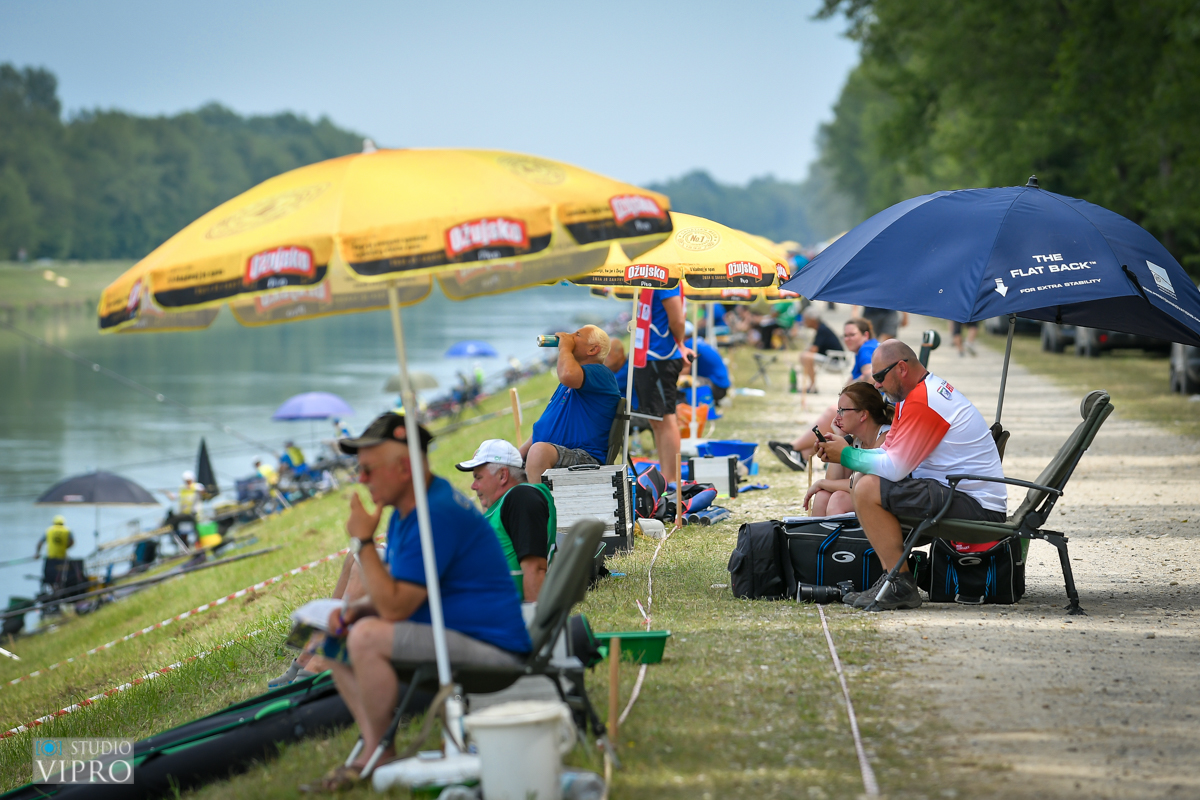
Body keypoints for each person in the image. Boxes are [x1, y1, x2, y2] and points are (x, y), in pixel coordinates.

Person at [321, 413, 530, 786]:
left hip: (495, 650)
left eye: (367, 470)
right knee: (336, 635)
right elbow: (400, 588)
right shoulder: (409, 510)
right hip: (458, 634)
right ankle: (374, 744)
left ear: (403, 468)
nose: (361, 479)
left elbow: (396, 607)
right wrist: (355, 609)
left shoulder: (434, 513)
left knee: (365, 638)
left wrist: (364, 542)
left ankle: (380, 754)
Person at [815, 340, 1007, 611]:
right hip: (958, 494)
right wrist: (845, 452)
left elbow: (895, 468)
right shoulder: (915, 397)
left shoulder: (925, 400)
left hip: (976, 506)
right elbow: (888, 454)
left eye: (880, 377)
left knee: (868, 487)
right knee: (863, 482)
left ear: (902, 368)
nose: (876, 385)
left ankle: (899, 584)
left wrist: (846, 456)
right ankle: (892, 579)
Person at [769, 318, 879, 470]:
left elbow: (869, 375)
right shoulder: (868, 347)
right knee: (838, 414)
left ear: (865, 335)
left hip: (876, 412)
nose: (847, 339)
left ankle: (793, 447)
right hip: (875, 407)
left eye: (852, 335)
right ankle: (802, 456)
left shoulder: (866, 349)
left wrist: (850, 388)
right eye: (845, 335)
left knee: (835, 412)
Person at [457, 439, 556, 602]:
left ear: (503, 475)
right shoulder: (509, 504)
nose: (473, 486)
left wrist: (534, 616)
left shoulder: (521, 498)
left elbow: (535, 569)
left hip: (499, 609)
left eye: (478, 478)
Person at [521, 325, 621, 482]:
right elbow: (545, 424)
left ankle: (537, 499)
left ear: (593, 349)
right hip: (551, 454)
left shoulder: (601, 373)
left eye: (577, 335)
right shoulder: (570, 383)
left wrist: (565, 348)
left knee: (539, 452)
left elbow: (567, 374)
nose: (570, 336)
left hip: (584, 458)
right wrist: (518, 455)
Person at [802, 382, 892, 516]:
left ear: (863, 415)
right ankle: (818, 531)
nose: (837, 417)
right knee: (823, 495)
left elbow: (863, 484)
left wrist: (821, 483)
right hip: (869, 495)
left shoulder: (885, 436)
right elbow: (833, 481)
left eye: (842, 410)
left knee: (838, 499)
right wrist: (840, 438)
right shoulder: (856, 440)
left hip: (889, 499)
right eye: (838, 411)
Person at [632, 288, 693, 483]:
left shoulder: (667, 279)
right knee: (656, 420)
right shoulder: (648, 279)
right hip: (646, 356)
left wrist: (680, 345)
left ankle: (671, 479)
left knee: (666, 418)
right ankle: (665, 477)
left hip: (661, 356)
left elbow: (678, 321)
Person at [797, 306, 843, 393]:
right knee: (805, 356)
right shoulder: (821, 328)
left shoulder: (822, 330)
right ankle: (812, 386)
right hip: (832, 359)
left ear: (813, 319)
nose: (804, 321)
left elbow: (813, 350)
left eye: (806, 319)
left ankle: (812, 387)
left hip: (836, 361)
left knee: (806, 357)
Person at [682, 323, 731, 403]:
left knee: (682, 382)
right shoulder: (698, 341)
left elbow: (685, 371)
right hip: (721, 386)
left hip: (716, 386)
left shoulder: (689, 345)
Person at [35, 515, 74, 588]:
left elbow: (40, 543)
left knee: (49, 577)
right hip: (63, 558)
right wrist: (65, 547)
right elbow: (72, 542)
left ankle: (54, 590)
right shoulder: (67, 530)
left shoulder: (49, 530)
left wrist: (37, 554)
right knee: (62, 576)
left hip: (51, 558)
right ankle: (60, 589)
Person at [165, 470, 203, 545]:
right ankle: (184, 545)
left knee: (196, 531)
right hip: (183, 515)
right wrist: (168, 493)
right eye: (186, 481)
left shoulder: (197, 486)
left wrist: (193, 488)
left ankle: (198, 544)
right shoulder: (182, 488)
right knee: (183, 532)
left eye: (189, 481)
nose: (188, 483)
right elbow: (174, 497)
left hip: (194, 515)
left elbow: (203, 490)